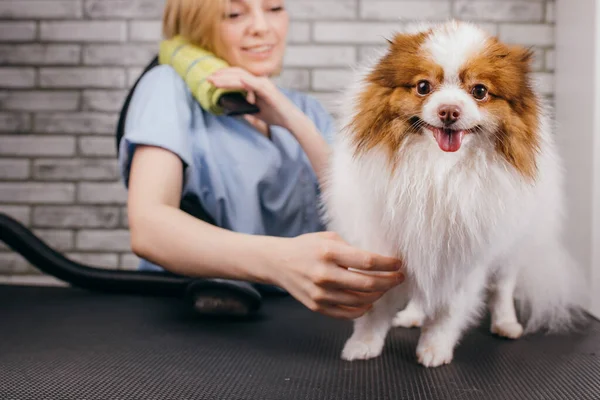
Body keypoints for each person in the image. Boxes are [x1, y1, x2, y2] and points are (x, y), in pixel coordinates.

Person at [119, 0, 404, 320]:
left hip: (287, 317)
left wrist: (293, 121)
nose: (262, 27)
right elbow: (149, 228)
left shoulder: (304, 110)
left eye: (274, 8)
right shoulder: (166, 88)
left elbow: (358, 209)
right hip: (183, 318)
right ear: (196, 27)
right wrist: (280, 262)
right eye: (234, 14)